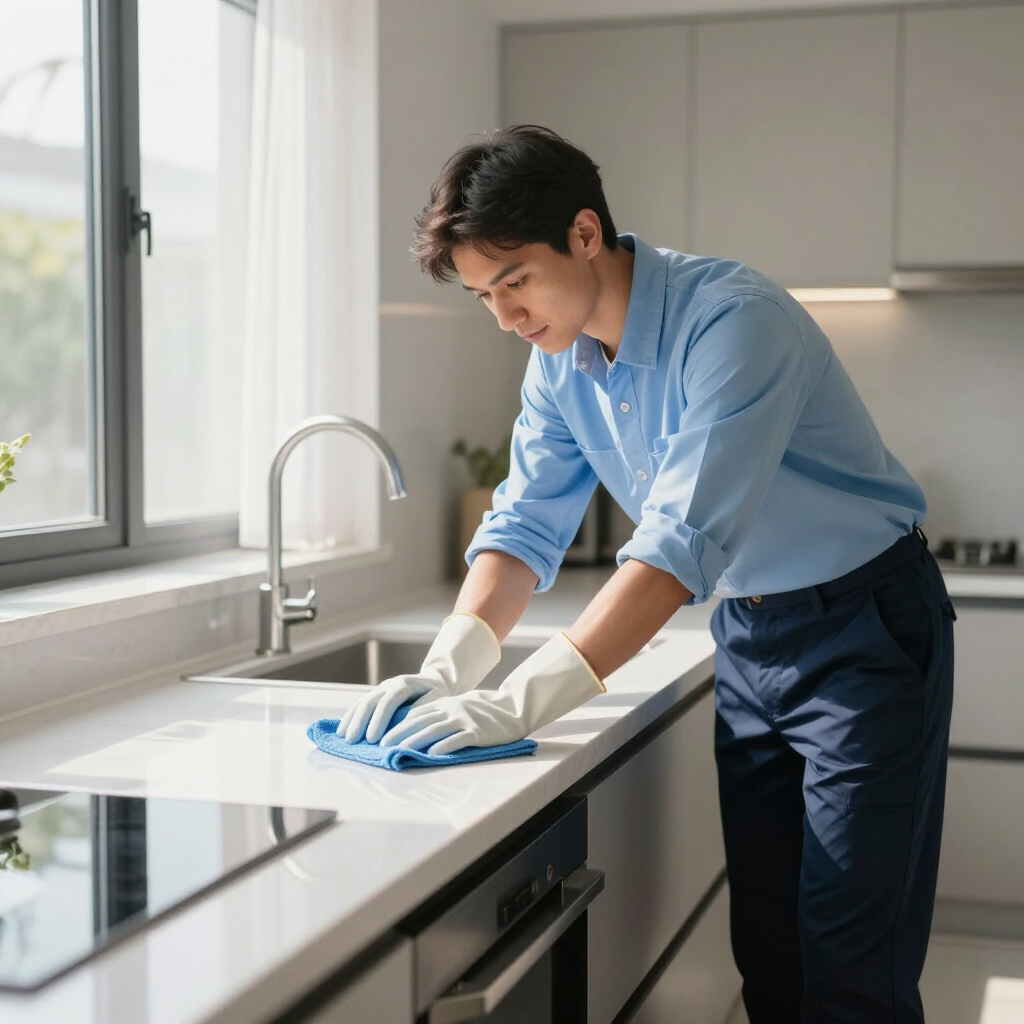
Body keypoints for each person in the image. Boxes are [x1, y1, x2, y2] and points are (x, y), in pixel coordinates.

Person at [339, 125, 955, 1024]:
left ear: (585, 233)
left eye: (514, 280)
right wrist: (448, 666)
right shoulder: (559, 366)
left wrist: (517, 703)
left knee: (850, 967)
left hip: (862, 631)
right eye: (482, 295)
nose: (506, 316)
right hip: (749, 637)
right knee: (772, 958)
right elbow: (523, 525)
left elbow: (675, 545)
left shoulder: (736, 321)